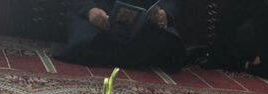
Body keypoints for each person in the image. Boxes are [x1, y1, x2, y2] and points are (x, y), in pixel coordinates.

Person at [53, 0, 187, 71]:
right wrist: (90, 10)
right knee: (86, 40)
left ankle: (119, 55)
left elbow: (172, 2)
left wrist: (165, 13)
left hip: (144, 22)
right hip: (98, 18)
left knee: (169, 43)